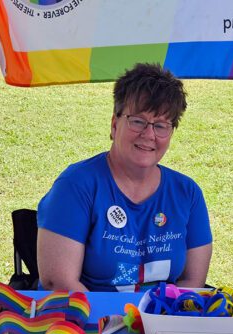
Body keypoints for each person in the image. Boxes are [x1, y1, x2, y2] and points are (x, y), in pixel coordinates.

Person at [37, 63, 212, 292]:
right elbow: (59, 282)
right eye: (137, 121)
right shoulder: (76, 186)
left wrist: (152, 323)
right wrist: (117, 322)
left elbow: (192, 283)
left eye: (161, 125)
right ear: (114, 124)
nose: (149, 135)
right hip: (88, 322)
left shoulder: (188, 193)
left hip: (158, 323)